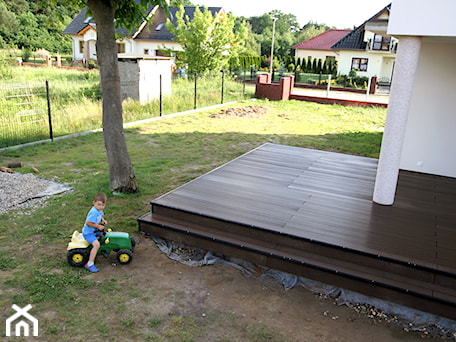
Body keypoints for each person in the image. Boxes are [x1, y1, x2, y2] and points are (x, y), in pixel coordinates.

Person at [82, 193, 108, 272]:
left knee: (104, 234)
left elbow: (100, 216)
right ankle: (89, 264)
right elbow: (88, 223)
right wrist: (98, 226)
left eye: (102, 205)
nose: (101, 207)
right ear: (94, 203)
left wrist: (102, 220)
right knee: (97, 245)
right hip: (88, 233)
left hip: (93, 231)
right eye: (99, 204)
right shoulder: (94, 212)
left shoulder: (99, 210)